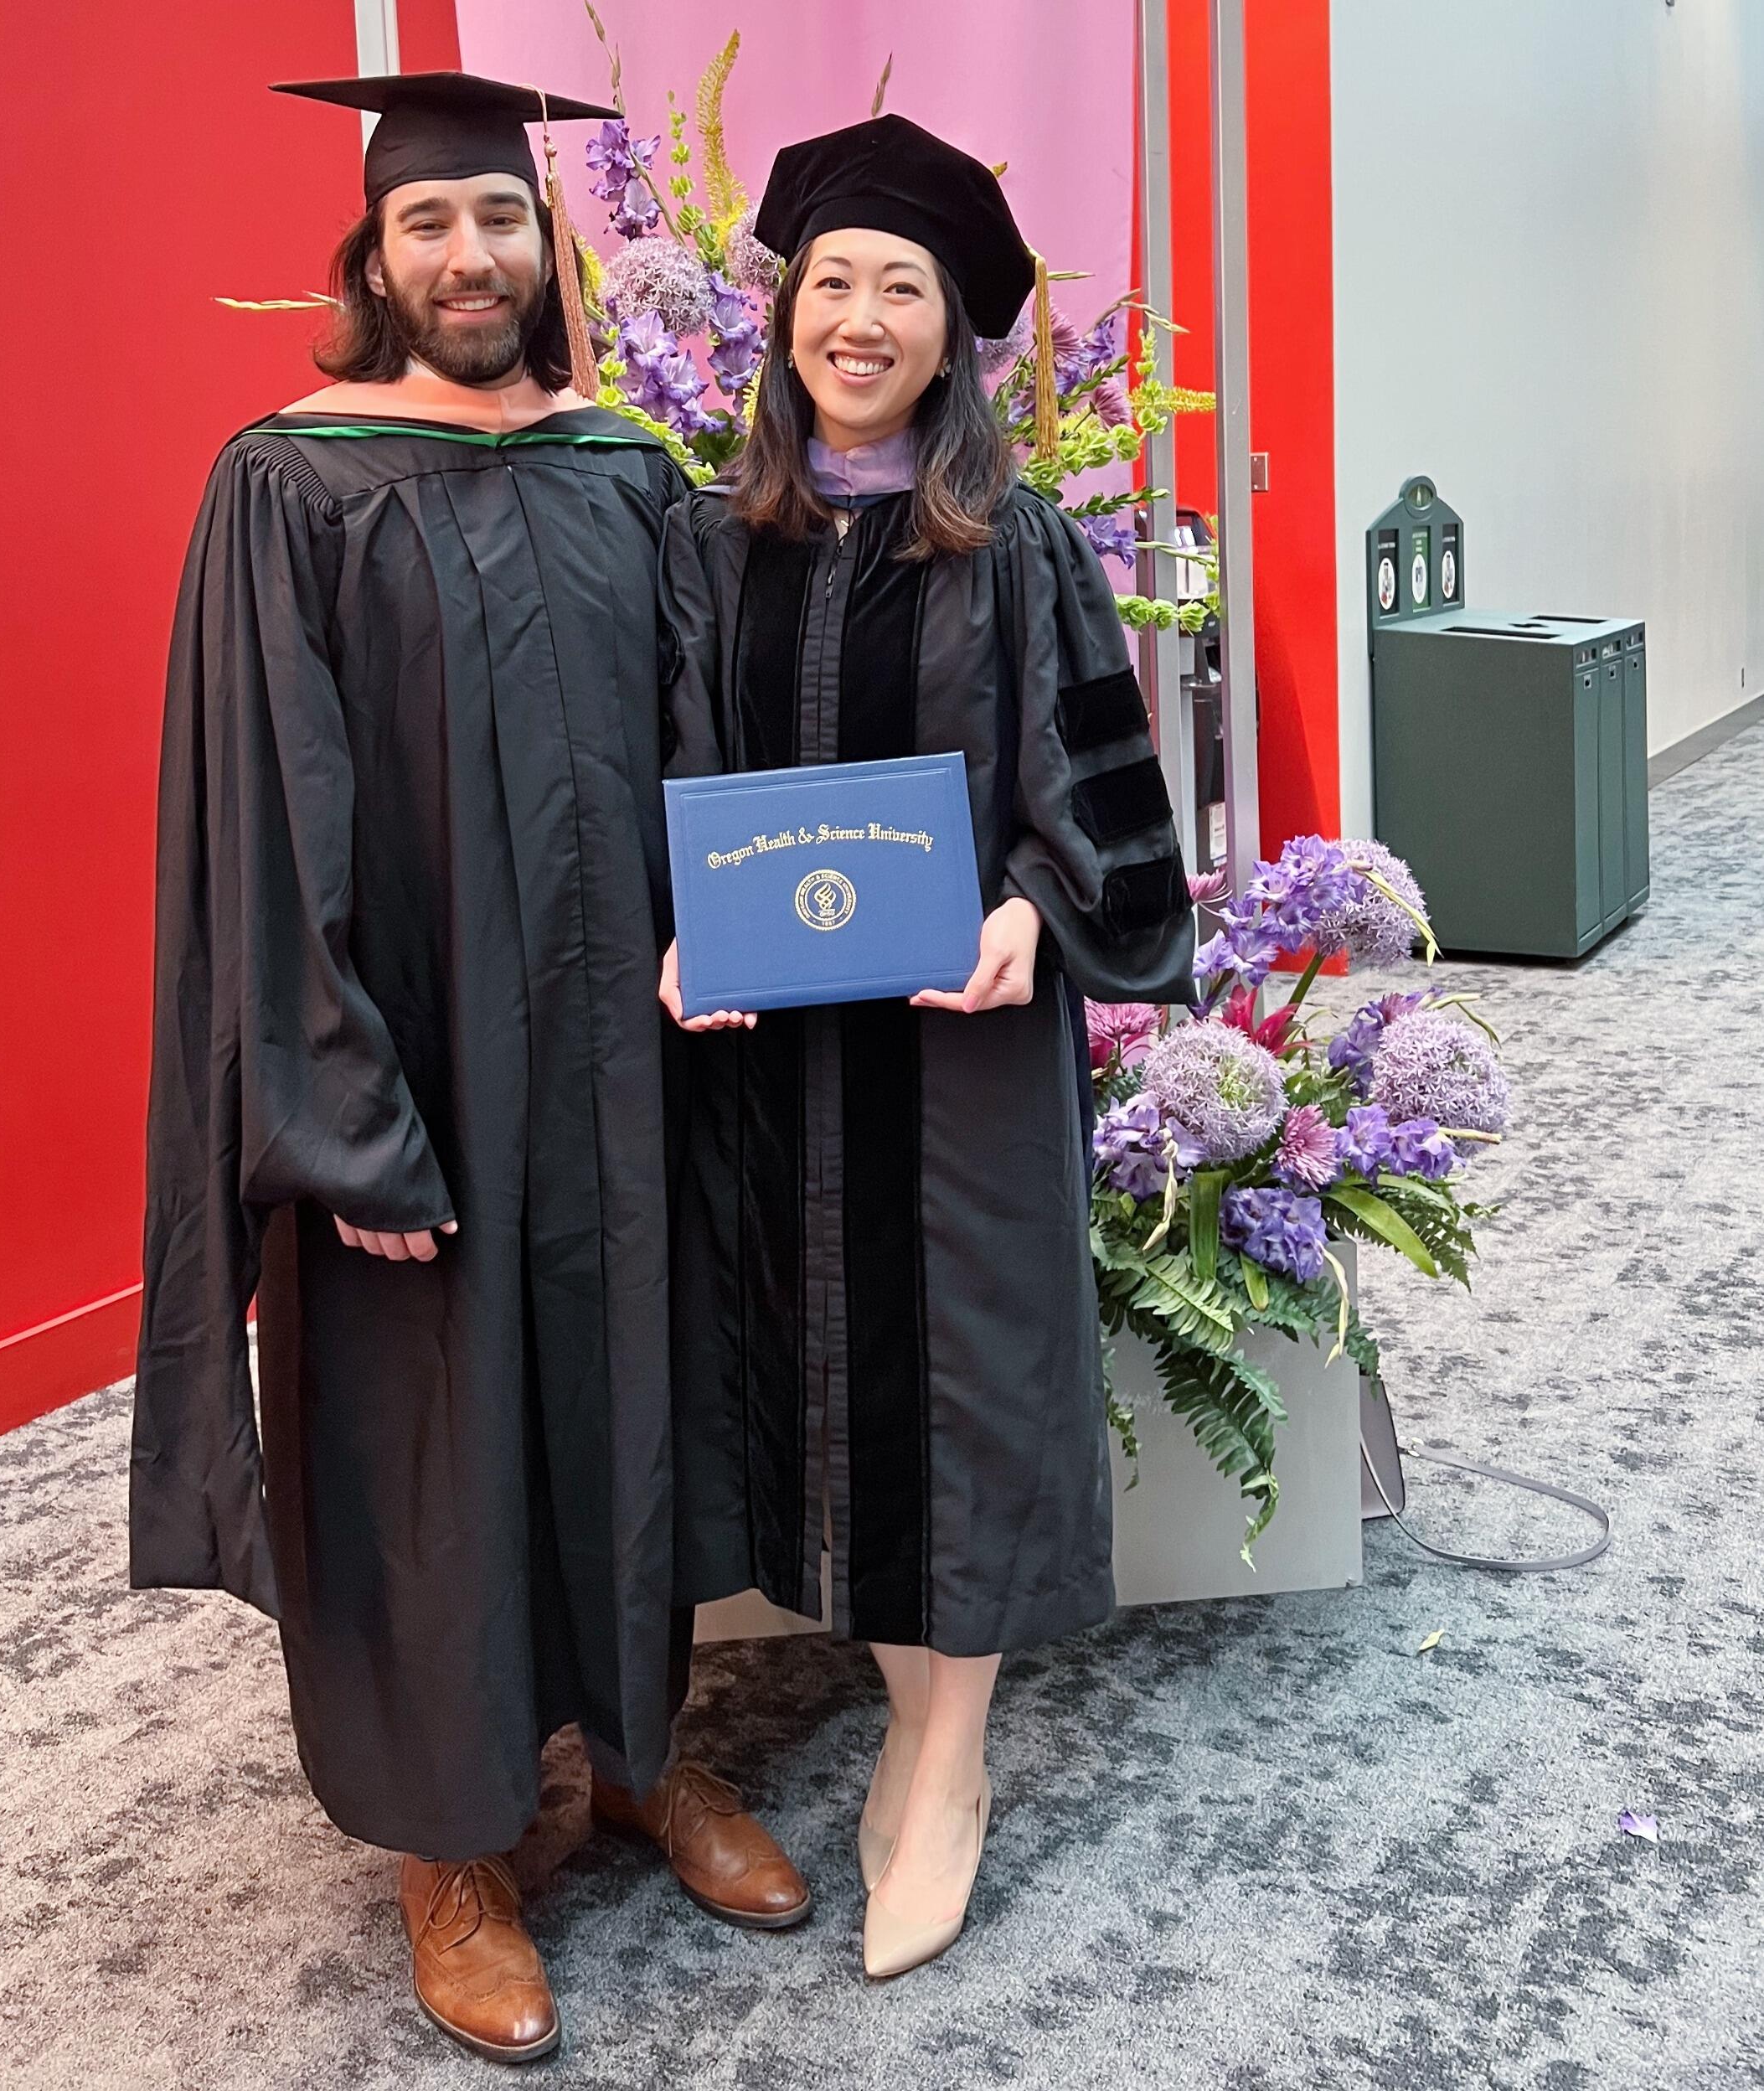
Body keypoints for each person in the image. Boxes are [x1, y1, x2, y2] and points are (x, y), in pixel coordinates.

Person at [132, 71, 807, 2068]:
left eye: (499, 222)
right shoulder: (294, 481)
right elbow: (266, 825)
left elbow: (704, 734)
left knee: (628, 1390)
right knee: (423, 1434)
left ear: (545, 246)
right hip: (411, 1067)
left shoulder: (618, 472)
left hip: (618, 1057)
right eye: (429, 227)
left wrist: (737, 925)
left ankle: (624, 1751)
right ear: (373, 257)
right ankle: (447, 1843)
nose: (470, 258)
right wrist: (339, 1121)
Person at [658, 114, 1195, 1980]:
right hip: (770, 1067)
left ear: (953, 329)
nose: (860, 315)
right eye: (832, 282)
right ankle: (908, 1718)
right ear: (785, 314)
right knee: (818, 1399)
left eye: (901, 285)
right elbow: (668, 783)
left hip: (951, 1059)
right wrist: (675, 932)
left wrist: (1032, 913)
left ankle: (944, 1759)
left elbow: (1098, 800)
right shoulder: (701, 551)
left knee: (953, 1399)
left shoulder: (1014, 544)